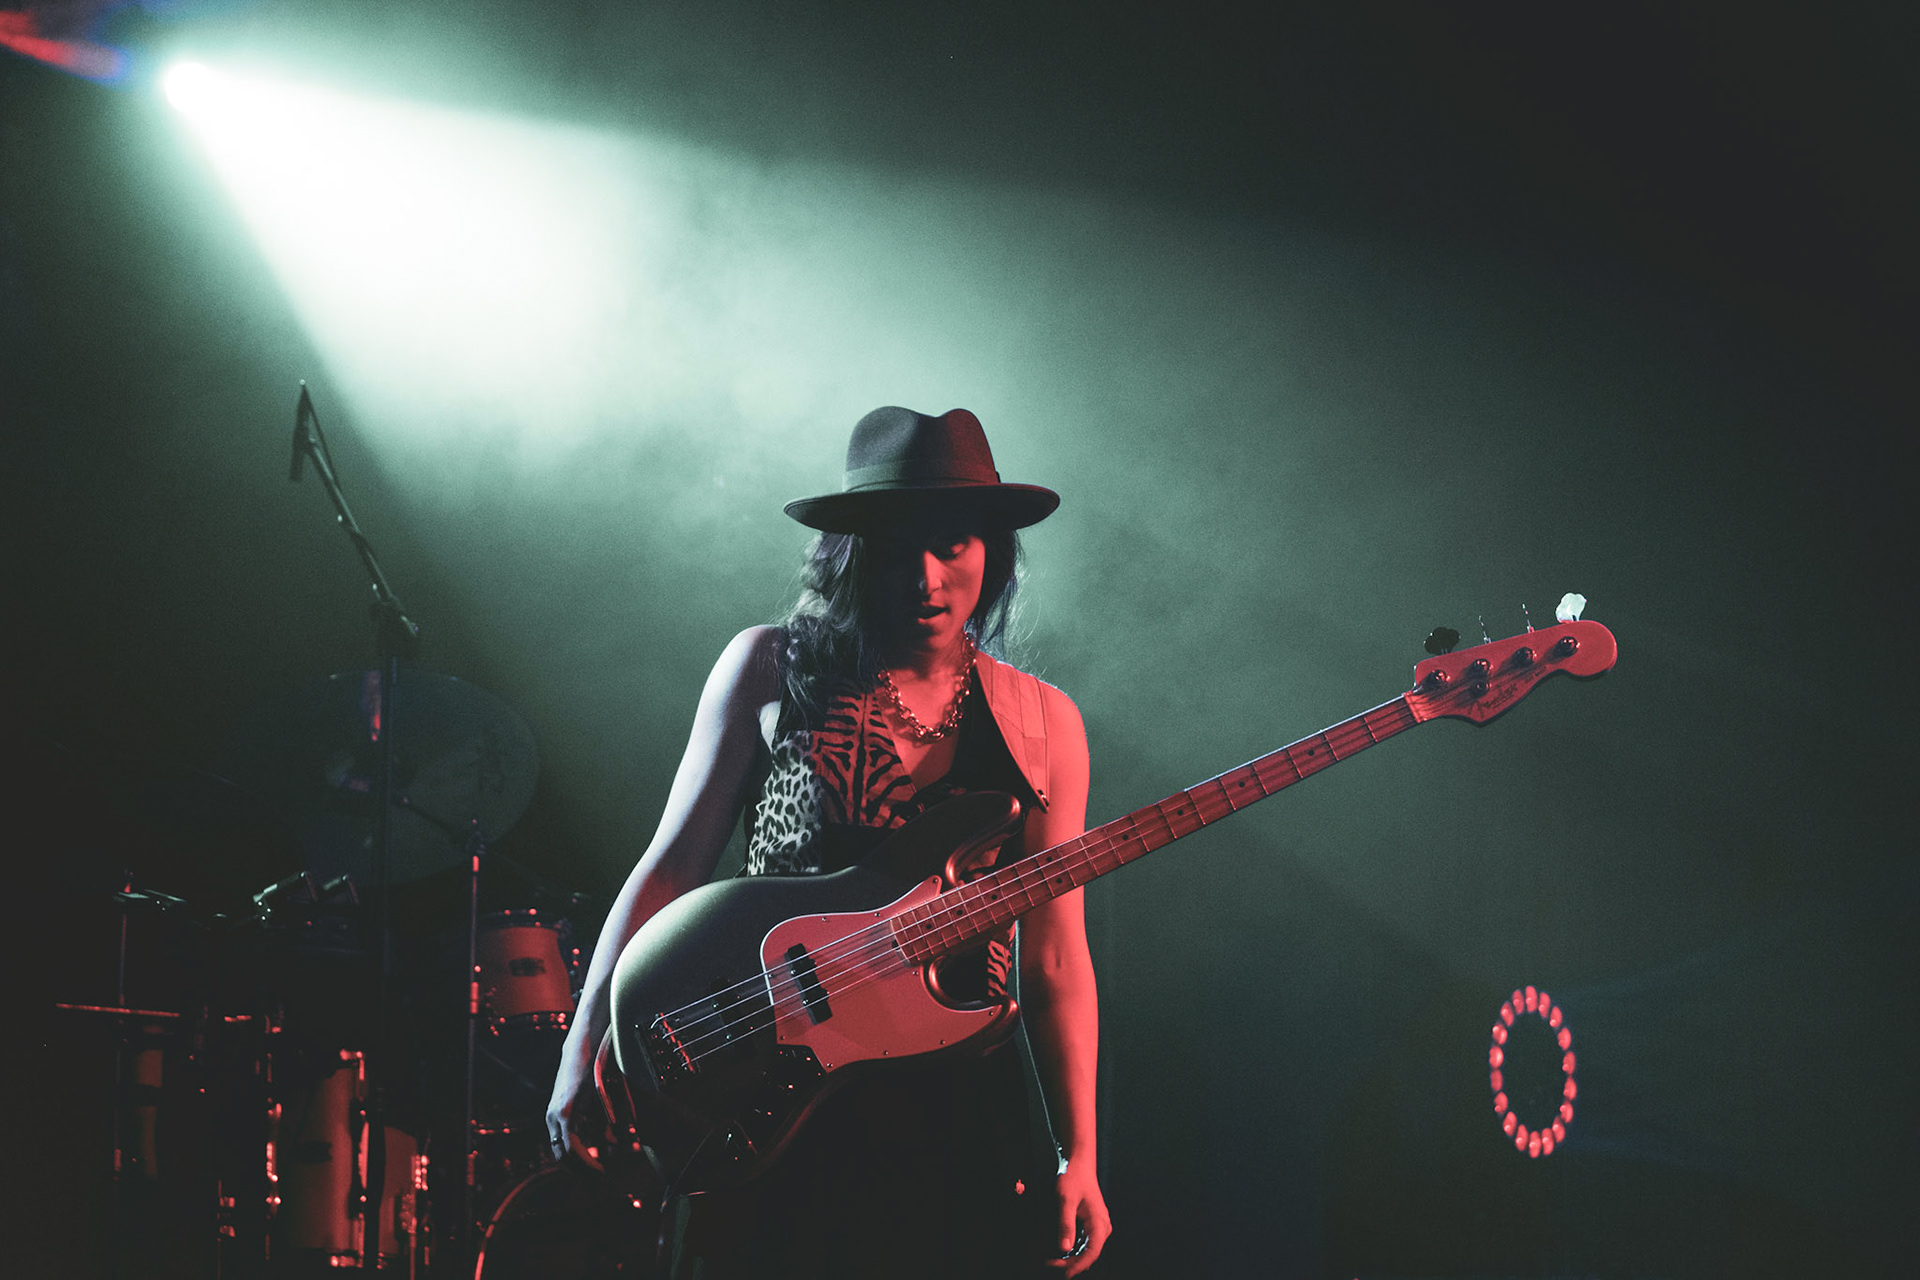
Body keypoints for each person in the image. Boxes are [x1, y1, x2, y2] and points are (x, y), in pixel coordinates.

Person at [545, 406, 1111, 1278]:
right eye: (896, 550)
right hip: (774, 1087)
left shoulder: (1043, 722)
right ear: (851, 555)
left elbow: (1056, 958)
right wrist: (583, 1043)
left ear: (993, 551)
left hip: (955, 1105)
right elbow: (672, 867)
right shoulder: (771, 667)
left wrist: (1081, 1156)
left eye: (952, 545)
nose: (926, 577)